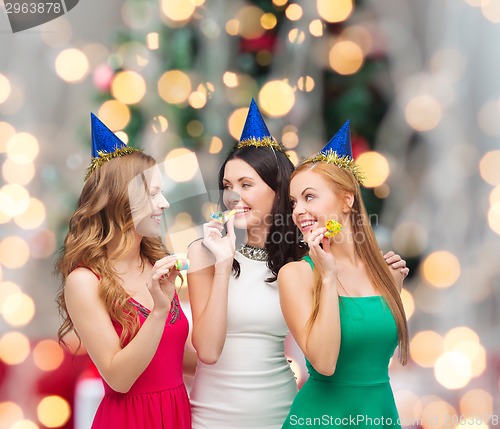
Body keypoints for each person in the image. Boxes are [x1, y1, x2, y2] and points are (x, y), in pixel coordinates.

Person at [187, 101, 407, 429]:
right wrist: (223, 263)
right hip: (214, 414)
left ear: (277, 191)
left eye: (246, 185)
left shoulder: (302, 256)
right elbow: (206, 349)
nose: (233, 197)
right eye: (227, 187)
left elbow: (351, 332)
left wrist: (383, 279)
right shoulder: (205, 252)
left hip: (281, 409)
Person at [55, 114, 191, 429]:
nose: (165, 203)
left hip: (176, 416)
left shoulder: (157, 264)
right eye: (154, 193)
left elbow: (182, 361)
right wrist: (159, 310)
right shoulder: (85, 281)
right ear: (122, 199)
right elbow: (119, 378)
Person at [278, 120, 409, 429]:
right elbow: (324, 365)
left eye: (309, 197)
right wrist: (326, 277)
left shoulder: (383, 274)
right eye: (294, 202)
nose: (297, 211)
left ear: (347, 199)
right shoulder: (296, 274)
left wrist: (393, 292)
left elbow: (372, 351)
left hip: (379, 415)